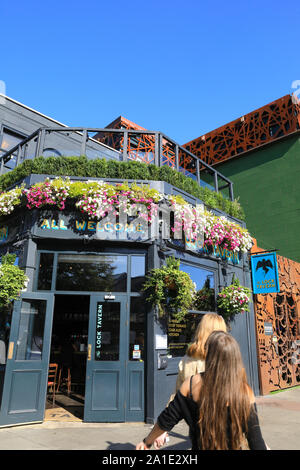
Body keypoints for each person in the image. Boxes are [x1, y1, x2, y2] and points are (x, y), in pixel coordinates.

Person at [136, 331, 267, 450]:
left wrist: (147, 442)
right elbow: (256, 441)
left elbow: (166, 419)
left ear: (209, 354)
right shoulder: (244, 391)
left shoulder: (191, 384)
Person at [154, 312, 227, 448]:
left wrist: (163, 429)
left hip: (200, 429)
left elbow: (177, 396)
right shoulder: (229, 358)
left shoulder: (188, 360)